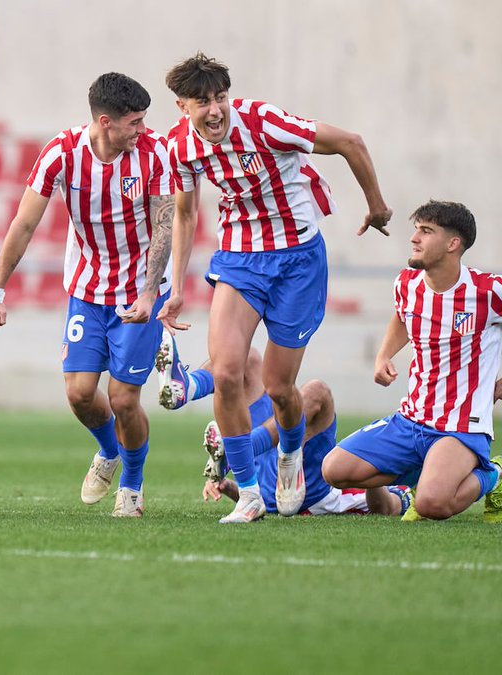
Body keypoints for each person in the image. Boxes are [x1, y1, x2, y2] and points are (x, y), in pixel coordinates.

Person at [156, 52, 393, 523]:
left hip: (298, 261)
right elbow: (184, 213)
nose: (216, 109)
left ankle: (289, 459)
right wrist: (175, 285)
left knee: (280, 388)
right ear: (183, 107)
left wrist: (377, 205)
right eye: (202, 102)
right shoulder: (179, 147)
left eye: (221, 97)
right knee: (227, 372)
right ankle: (247, 494)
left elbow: (350, 142)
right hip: (240, 259)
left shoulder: (264, 121)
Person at [0, 73, 174, 517]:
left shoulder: (154, 154)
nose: (142, 130)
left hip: (138, 292)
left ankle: (132, 484)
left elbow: (164, 228)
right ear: (106, 122)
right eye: (134, 122)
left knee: (124, 399)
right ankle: (108, 451)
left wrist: (149, 294)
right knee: (80, 395)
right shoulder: (61, 153)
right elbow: (24, 225)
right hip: (87, 290)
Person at [321, 200, 502, 522]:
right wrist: (383, 355)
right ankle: (426, 474)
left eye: (426, 231)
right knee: (334, 471)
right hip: (411, 419)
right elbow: (403, 318)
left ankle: (494, 474)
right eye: (416, 229)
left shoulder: (488, 291)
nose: (414, 238)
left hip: (459, 427)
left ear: (452, 243)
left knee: (433, 506)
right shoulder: (407, 284)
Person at [160, 343, 410, 517]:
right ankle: (186, 387)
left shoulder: (405, 488)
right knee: (246, 359)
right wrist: (232, 489)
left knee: (317, 392)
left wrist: (374, 467)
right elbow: (266, 498)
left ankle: (239, 447)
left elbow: (384, 509)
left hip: (312, 491)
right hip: (272, 471)